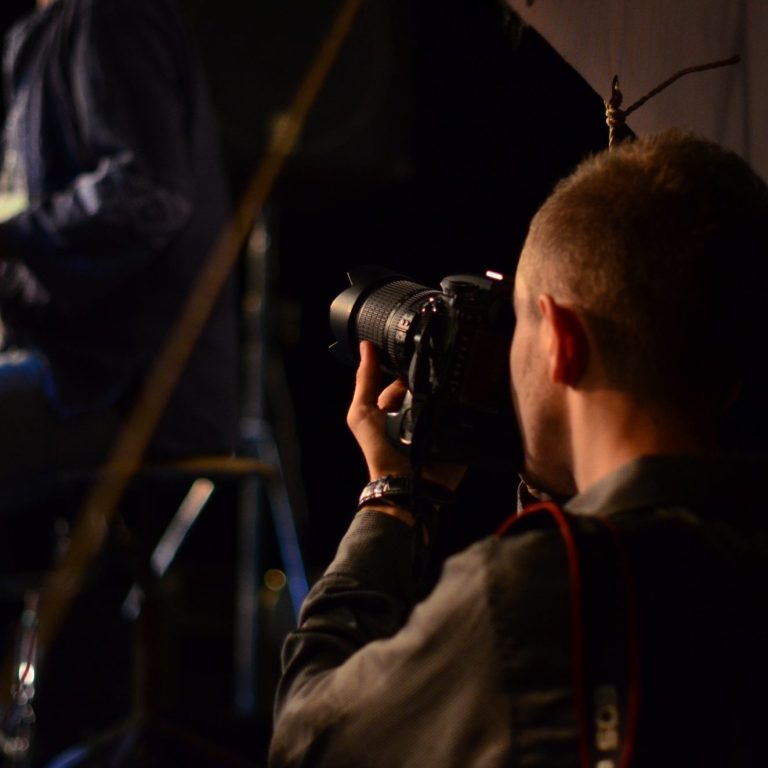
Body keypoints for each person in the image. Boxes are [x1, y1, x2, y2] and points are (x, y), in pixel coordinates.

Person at [269, 130, 768, 767]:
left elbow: (306, 740)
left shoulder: (538, 593)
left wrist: (393, 500)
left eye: (517, 322)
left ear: (560, 340)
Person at [0, 0, 239, 487]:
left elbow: (146, 193)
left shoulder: (112, 14)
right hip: (58, 361)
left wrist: (16, 234)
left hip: (123, 387)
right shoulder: (32, 35)